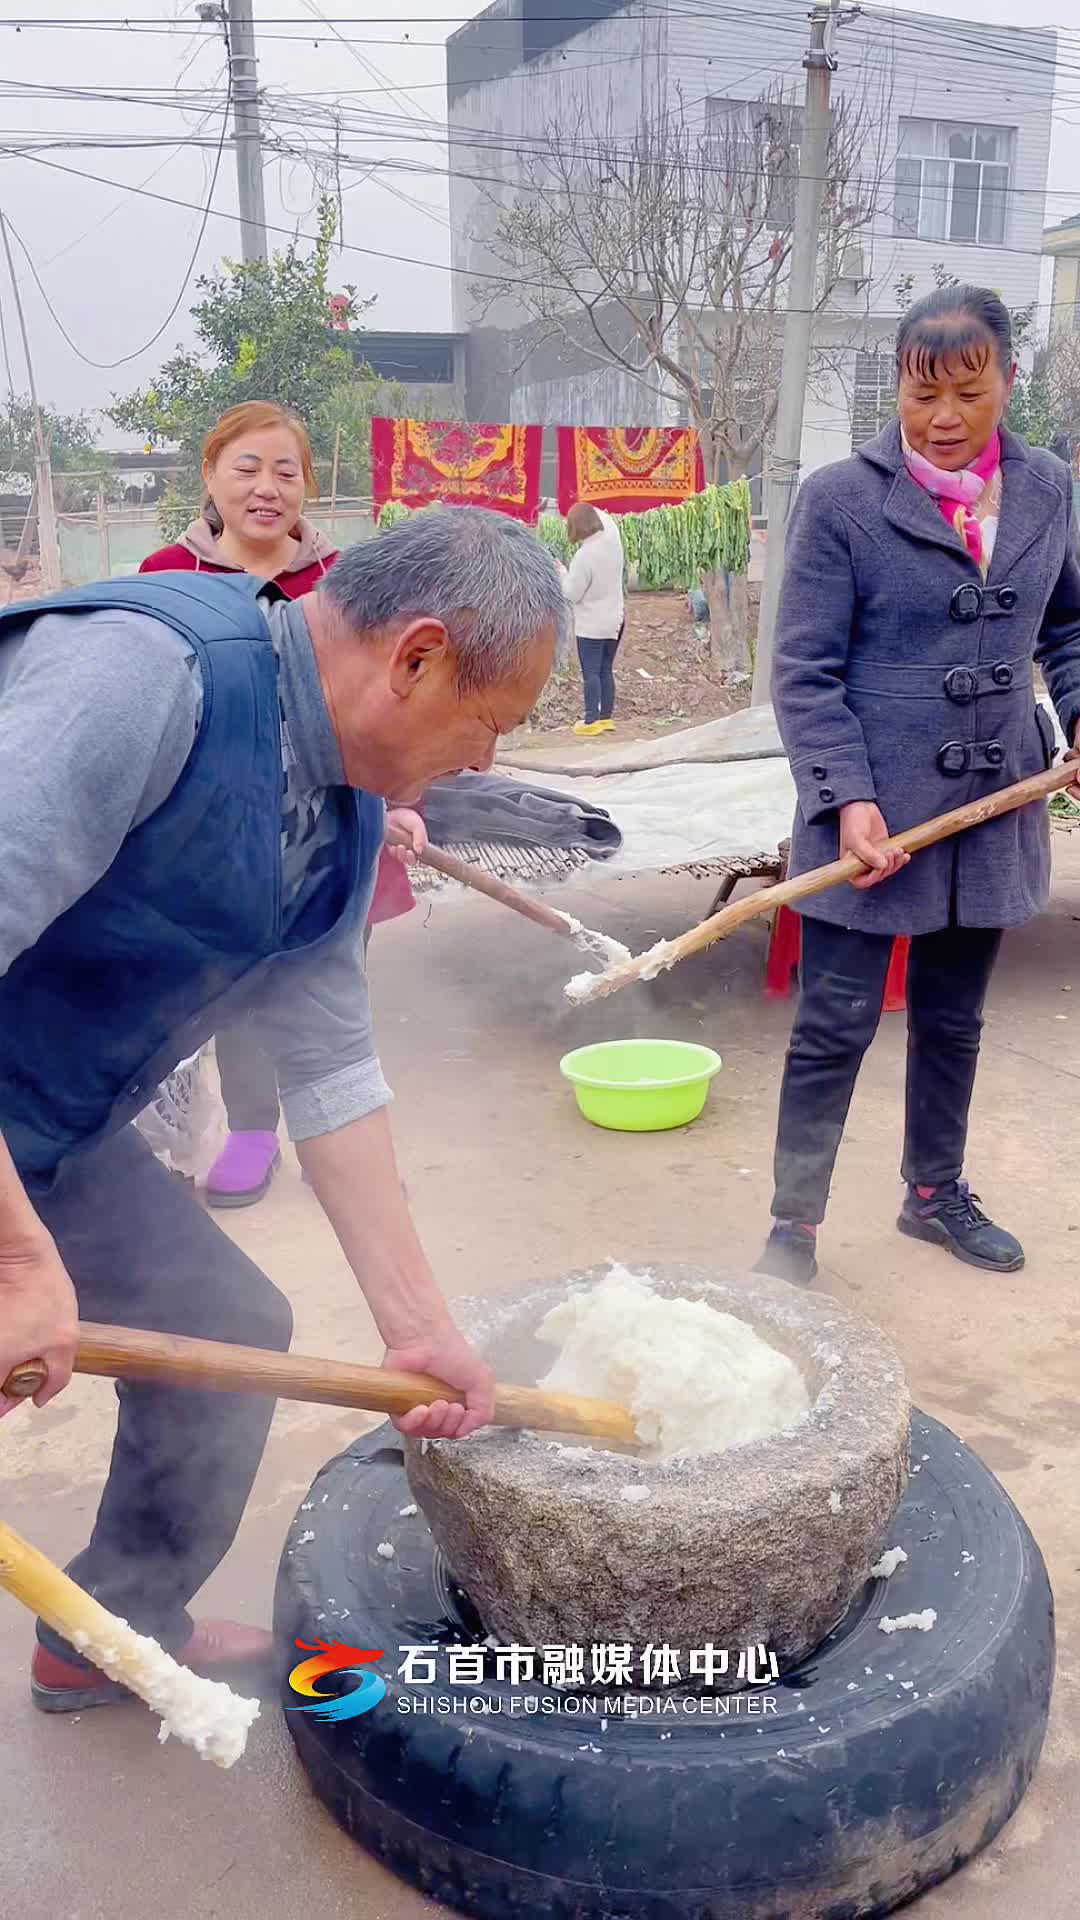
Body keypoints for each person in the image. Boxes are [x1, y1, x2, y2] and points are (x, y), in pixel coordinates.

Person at [0, 506, 565, 1711]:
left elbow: (331, 1070)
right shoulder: (146, 679)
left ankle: (108, 1624)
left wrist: (419, 1329)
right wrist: (12, 1260)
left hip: (47, 1120)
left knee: (227, 1328)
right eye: (491, 722)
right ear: (415, 657)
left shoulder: (346, 807)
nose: (484, 764)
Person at [757, 284, 1080, 1288]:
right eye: (921, 392)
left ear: (1006, 385)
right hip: (872, 811)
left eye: (968, 392)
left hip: (991, 810)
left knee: (954, 1018)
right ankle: (793, 1226)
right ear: (897, 386)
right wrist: (846, 797)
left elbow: (1067, 629)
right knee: (833, 1024)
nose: (943, 419)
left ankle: (933, 1193)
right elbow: (803, 673)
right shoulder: (841, 500)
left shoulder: (1048, 489)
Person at [141, 401, 418, 1208]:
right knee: (239, 981)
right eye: (247, 469)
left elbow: (392, 703)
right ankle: (255, 1132)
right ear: (211, 478)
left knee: (333, 977)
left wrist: (399, 801)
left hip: (335, 821)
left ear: (308, 485)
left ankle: (346, 1146)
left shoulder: (350, 584)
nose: (267, 489)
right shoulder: (166, 577)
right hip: (215, 828)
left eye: (285, 472)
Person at [564, 501, 625, 737]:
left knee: (590, 672)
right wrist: (586, 507)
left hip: (592, 624)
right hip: (616, 619)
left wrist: (560, 572)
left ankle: (590, 721)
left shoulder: (584, 556)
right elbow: (607, 519)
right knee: (605, 670)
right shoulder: (613, 545)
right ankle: (606, 718)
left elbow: (571, 593)